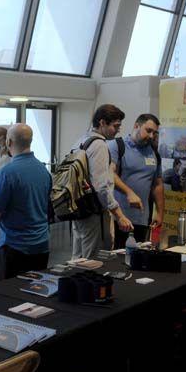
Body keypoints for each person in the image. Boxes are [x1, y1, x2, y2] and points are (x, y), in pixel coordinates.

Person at [0, 124, 51, 280]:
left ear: (9, 142)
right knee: (36, 294)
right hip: (42, 246)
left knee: (11, 297)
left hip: (14, 247)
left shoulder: (6, 174)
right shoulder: (44, 171)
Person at [71, 104, 133, 259]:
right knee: (94, 262)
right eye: (115, 126)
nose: (118, 130)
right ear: (102, 123)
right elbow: (101, 187)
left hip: (79, 211)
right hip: (94, 214)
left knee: (77, 260)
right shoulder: (99, 145)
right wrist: (119, 215)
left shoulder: (81, 141)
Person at [109, 114, 164, 249]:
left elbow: (157, 184)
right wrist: (129, 192)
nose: (151, 136)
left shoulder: (154, 153)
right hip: (119, 218)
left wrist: (160, 213)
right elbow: (110, 174)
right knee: (117, 259)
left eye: (154, 133)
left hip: (142, 220)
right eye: (148, 130)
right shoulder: (117, 146)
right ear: (136, 126)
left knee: (137, 260)